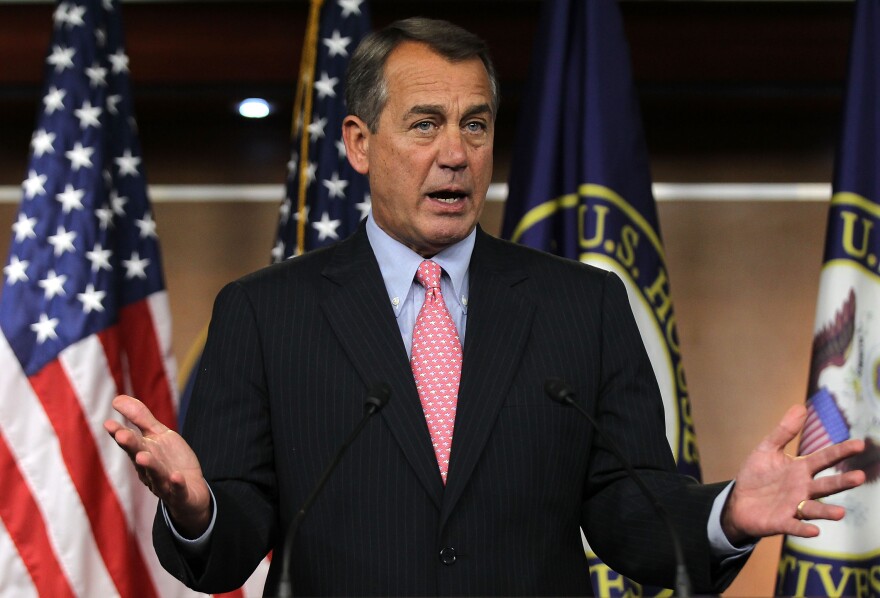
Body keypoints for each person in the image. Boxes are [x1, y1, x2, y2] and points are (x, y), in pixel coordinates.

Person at [105, 17, 865, 596]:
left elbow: (634, 516)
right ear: (360, 143)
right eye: (426, 123)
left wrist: (727, 514)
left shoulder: (583, 306)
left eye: (475, 124)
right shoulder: (266, 314)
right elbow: (231, 544)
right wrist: (198, 506)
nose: (456, 153)